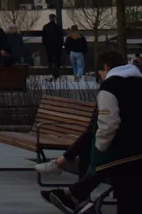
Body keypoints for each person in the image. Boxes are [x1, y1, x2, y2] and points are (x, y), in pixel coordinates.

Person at [42, 50, 142, 212]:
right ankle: (74, 194)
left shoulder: (110, 86)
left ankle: (75, 194)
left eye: (100, 71)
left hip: (122, 153)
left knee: (122, 193)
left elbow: (108, 124)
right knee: (132, 198)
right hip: (137, 150)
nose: (100, 76)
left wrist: (99, 150)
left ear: (106, 66)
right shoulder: (139, 82)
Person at [42, 13, 64, 79]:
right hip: (57, 47)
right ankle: (56, 73)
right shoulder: (58, 27)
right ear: (55, 18)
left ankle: (51, 72)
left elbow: (43, 37)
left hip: (49, 47)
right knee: (57, 60)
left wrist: (45, 45)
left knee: (50, 60)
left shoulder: (45, 27)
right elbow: (61, 37)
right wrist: (60, 45)